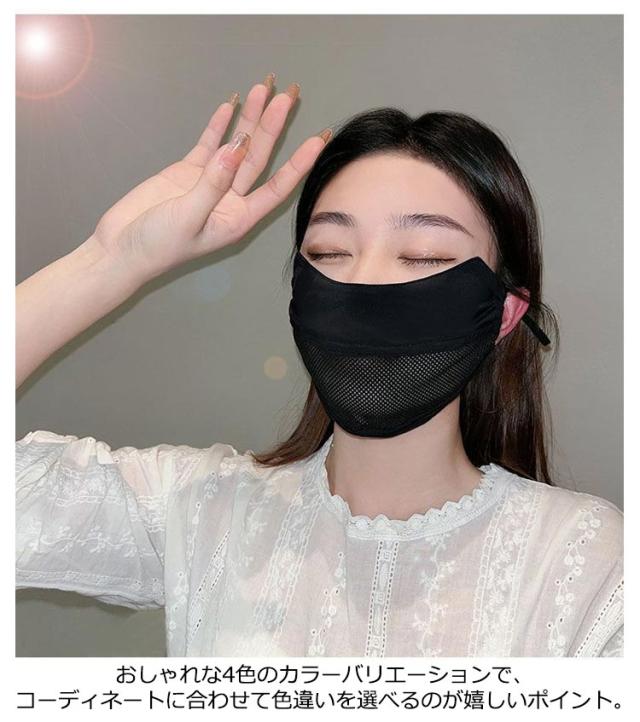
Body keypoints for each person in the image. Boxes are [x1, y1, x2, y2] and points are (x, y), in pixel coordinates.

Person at [16, 73, 623, 657]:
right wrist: (111, 258)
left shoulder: (588, 564)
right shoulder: (202, 511)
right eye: (330, 252)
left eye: (423, 256)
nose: (365, 281)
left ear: (505, 313)